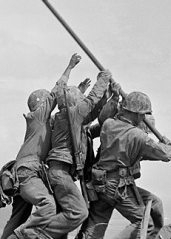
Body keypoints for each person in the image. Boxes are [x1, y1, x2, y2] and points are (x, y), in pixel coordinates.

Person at [78, 91, 171, 239]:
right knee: (144, 223)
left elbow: (142, 153)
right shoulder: (137, 135)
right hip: (118, 186)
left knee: (97, 223)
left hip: (100, 183)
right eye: (143, 115)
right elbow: (164, 154)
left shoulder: (108, 125)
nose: (143, 118)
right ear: (138, 114)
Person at [3, 54, 86, 239]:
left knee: (19, 217)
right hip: (28, 172)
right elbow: (57, 91)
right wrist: (70, 67)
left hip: (28, 172)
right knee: (48, 204)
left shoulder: (45, 122)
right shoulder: (38, 117)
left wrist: (78, 92)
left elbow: (68, 113)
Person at [43, 59, 113, 239]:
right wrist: (103, 78)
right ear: (75, 102)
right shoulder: (72, 114)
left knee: (64, 221)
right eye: (80, 99)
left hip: (61, 172)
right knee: (79, 212)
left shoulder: (65, 117)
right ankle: (34, 234)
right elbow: (91, 101)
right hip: (60, 172)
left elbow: (94, 112)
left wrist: (107, 96)